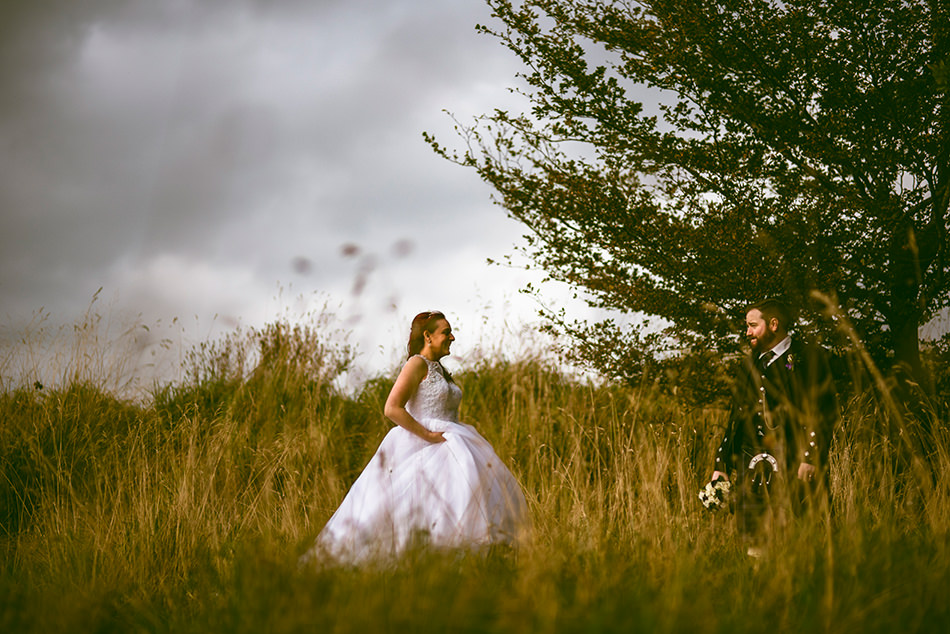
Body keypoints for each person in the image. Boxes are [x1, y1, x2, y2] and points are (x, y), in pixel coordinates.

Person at [301, 311, 529, 564]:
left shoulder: (440, 369)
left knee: (457, 499)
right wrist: (427, 435)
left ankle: (458, 561)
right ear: (428, 336)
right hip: (423, 443)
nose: (452, 337)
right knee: (405, 505)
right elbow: (392, 408)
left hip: (452, 440)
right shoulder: (416, 364)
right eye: (446, 332)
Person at [709, 299, 837, 554]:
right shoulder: (750, 363)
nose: (747, 332)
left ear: (774, 324)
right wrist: (721, 466)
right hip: (750, 463)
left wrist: (810, 456)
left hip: (795, 460)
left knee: (809, 532)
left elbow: (821, 412)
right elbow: (735, 418)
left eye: (753, 325)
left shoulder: (808, 357)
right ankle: (758, 587)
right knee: (753, 539)